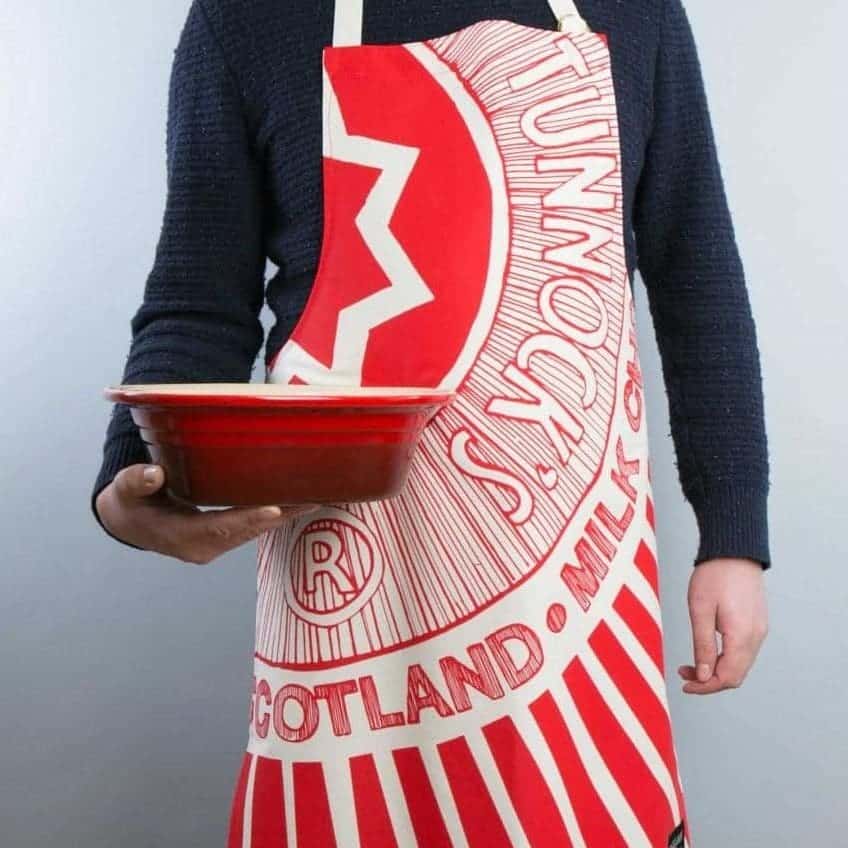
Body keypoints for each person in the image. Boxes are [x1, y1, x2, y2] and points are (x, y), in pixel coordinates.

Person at [92, 1, 770, 843]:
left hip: (575, 594)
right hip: (348, 587)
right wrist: (134, 484)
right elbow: (197, 296)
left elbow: (697, 274)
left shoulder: (637, 13)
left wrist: (733, 537)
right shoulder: (247, 16)